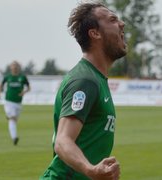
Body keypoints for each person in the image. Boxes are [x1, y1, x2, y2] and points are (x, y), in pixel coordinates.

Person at [41, 2, 127, 180]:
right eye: (112, 20)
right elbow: (63, 141)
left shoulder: (96, 79)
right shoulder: (85, 80)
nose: (122, 24)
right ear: (95, 33)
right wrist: (91, 170)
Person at [0, 61, 30, 145]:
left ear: (18, 67)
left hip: (18, 102)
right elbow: (0, 85)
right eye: (13, 66)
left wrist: (24, 92)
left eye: (16, 66)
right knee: (12, 118)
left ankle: (9, 118)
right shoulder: (8, 77)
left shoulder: (22, 77)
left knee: (14, 120)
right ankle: (14, 137)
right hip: (9, 101)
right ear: (10, 67)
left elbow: (29, 87)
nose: (14, 67)